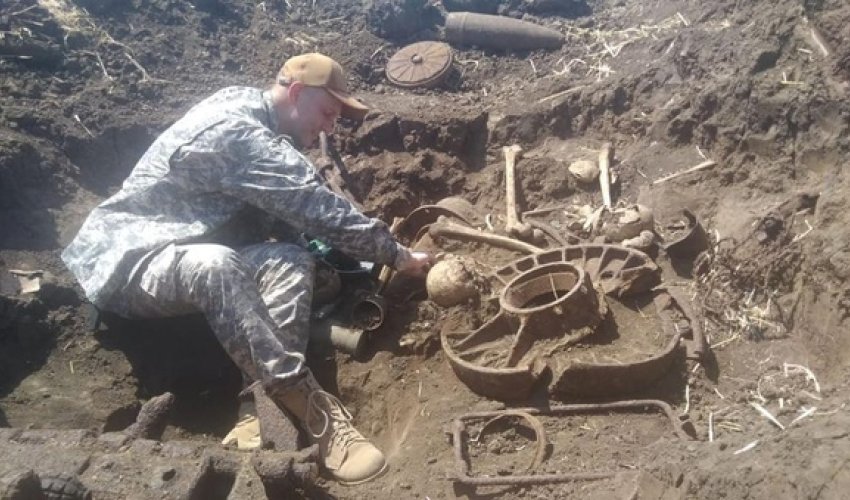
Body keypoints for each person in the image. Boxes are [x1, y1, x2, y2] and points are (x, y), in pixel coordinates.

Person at [62, 53, 432, 484]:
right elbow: (315, 207)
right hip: (130, 259)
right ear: (295, 93)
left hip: (189, 248)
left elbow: (282, 215)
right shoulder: (236, 131)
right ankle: (311, 407)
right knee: (215, 264)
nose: (330, 126)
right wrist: (397, 255)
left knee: (291, 262)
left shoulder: (250, 112)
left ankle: (256, 411)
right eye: (328, 111)